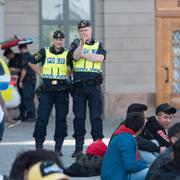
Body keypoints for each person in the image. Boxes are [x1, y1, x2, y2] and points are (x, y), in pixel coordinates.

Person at [29, 30, 71, 156]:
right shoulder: (44, 51)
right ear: (53, 40)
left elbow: (72, 69)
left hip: (62, 91)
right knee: (42, 119)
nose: (58, 41)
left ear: (63, 40)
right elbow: (31, 62)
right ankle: (39, 147)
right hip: (47, 91)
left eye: (61, 39)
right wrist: (41, 72)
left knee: (61, 120)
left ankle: (58, 149)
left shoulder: (68, 54)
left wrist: (66, 75)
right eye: (56, 39)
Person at [69, 20, 107, 157]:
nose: (84, 33)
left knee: (96, 117)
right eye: (82, 31)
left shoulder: (98, 45)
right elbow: (74, 56)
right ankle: (78, 148)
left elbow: (100, 58)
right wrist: (82, 45)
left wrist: (83, 54)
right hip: (79, 88)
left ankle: (98, 145)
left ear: (91, 30)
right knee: (79, 118)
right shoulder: (75, 44)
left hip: (94, 87)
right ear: (79, 32)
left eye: (86, 30)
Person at [101, 112, 148, 180]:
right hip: (116, 176)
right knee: (152, 172)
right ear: (140, 128)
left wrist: (146, 165)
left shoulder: (124, 134)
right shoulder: (127, 139)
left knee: (152, 169)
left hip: (115, 174)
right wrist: (146, 166)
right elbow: (130, 166)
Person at [3, 48, 25, 121]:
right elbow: (9, 73)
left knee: (25, 97)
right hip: (15, 79)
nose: (8, 59)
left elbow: (23, 69)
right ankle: (21, 115)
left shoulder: (20, 57)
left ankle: (29, 115)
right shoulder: (11, 60)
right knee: (19, 96)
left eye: (8, 57)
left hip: (24, 79)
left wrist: (13, 69)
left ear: (11, 54)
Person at [18, 43, 36, 122]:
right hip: (32, 79)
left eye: (20, 49)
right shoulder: (30, 56)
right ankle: (28, 115)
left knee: (28, 97)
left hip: (28, 79)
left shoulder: (26, 57)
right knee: (29, 97)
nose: (20, 51)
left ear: (22, 49)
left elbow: (24, 70)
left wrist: (21, 80)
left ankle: (31, 115)